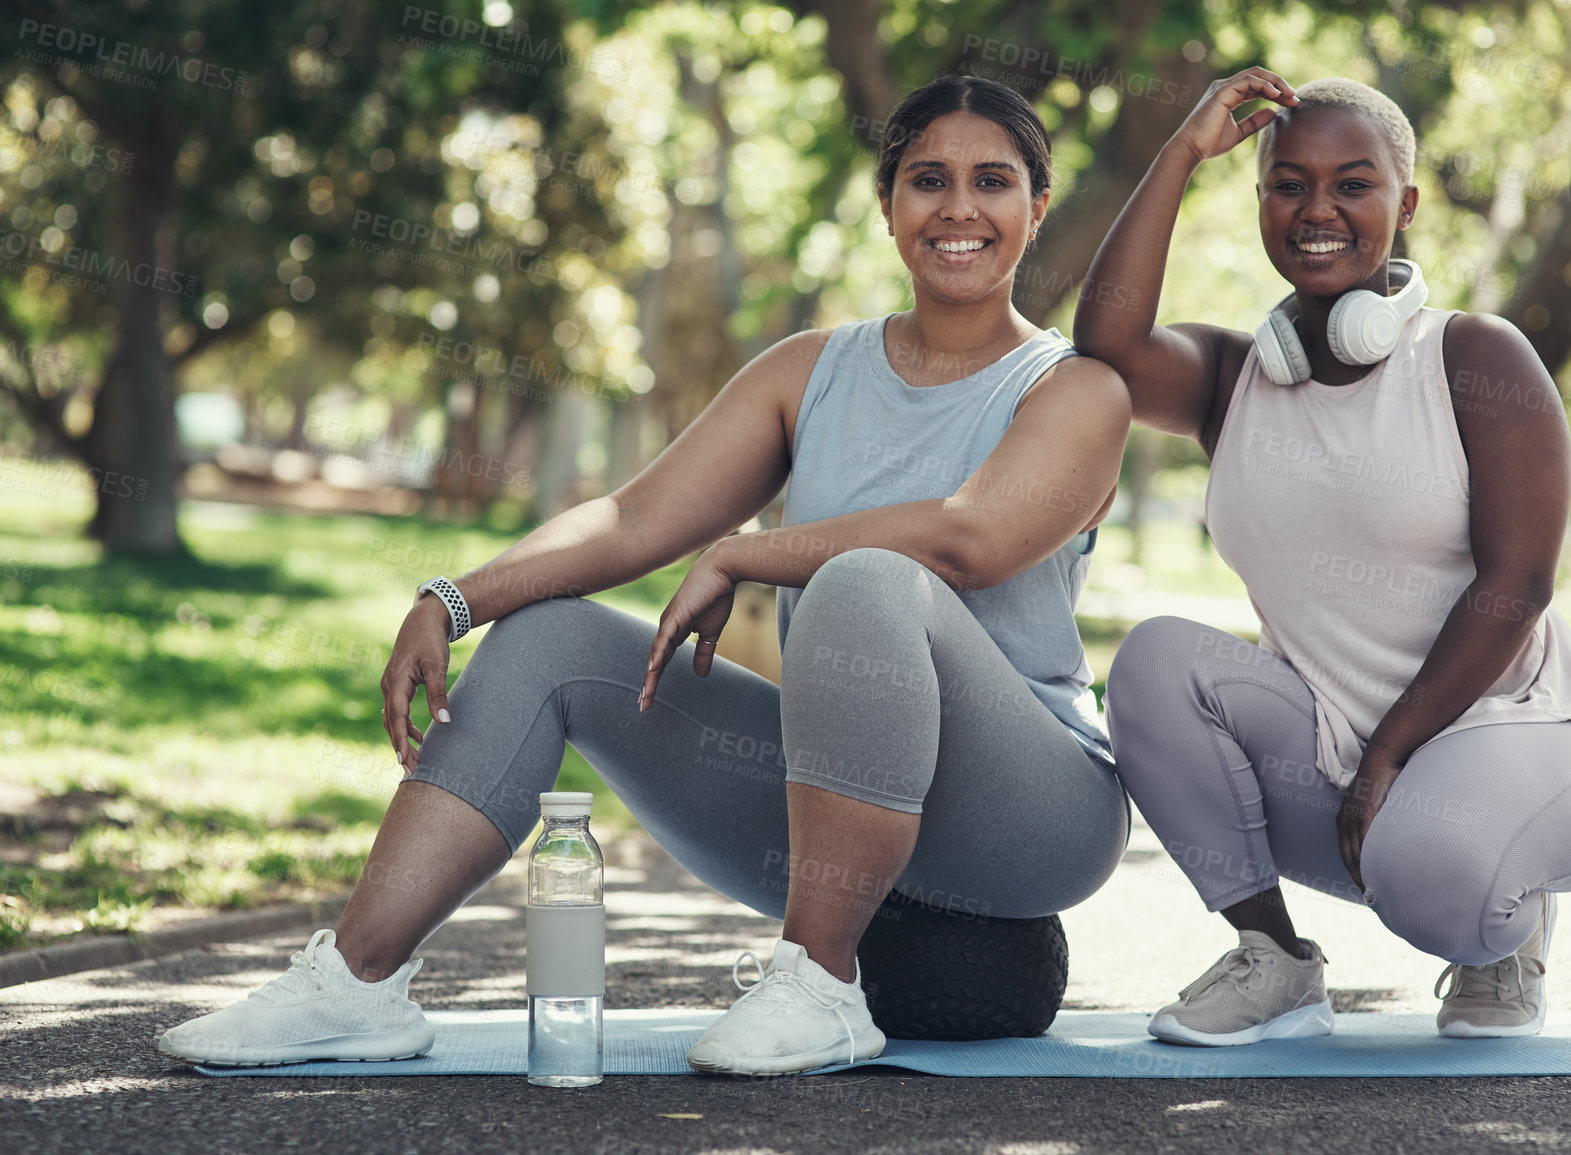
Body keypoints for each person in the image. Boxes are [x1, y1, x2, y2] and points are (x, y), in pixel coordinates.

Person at [158, 74, 1132, 1076]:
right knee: (548, 639)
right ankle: (354, 985)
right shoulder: (813, 369)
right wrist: (450, 602)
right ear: (888, 208)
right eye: (927, 179)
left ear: (1036, 206)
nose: (959, 208)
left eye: (993, 181)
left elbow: (967, 540)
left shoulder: (1077, 390)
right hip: (833, 794)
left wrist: (750, 549)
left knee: (867, 578)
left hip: (1028, 817)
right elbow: (633, 518)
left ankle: (816, 982)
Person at [1073, 69, 1571, 1046]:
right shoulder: (1235, 378)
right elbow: (1109, 342)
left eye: (1352, 184)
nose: (1317, 208)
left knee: (1433, 885)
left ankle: (1508, 928)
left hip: (1528, 740)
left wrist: (1388, 755)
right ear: (1258, 201)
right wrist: (1178, 153)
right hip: (1341, 758)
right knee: (1156, 664)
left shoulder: (1474, 357)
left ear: (1404, 203)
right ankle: (1274, 960)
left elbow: (1518, 586)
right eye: (1288, 183)